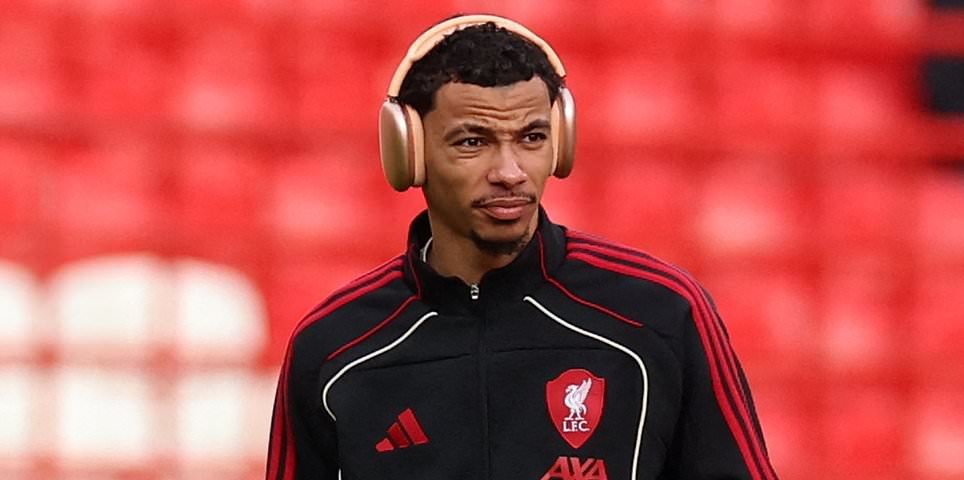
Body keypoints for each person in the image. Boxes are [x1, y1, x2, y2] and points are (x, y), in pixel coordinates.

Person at [265, 14, 778, 480]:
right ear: (410, 152)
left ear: (561, 143)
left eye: (531, 138)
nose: (510, 172)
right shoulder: (334, 347)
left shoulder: (661, 313)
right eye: (472, 142)